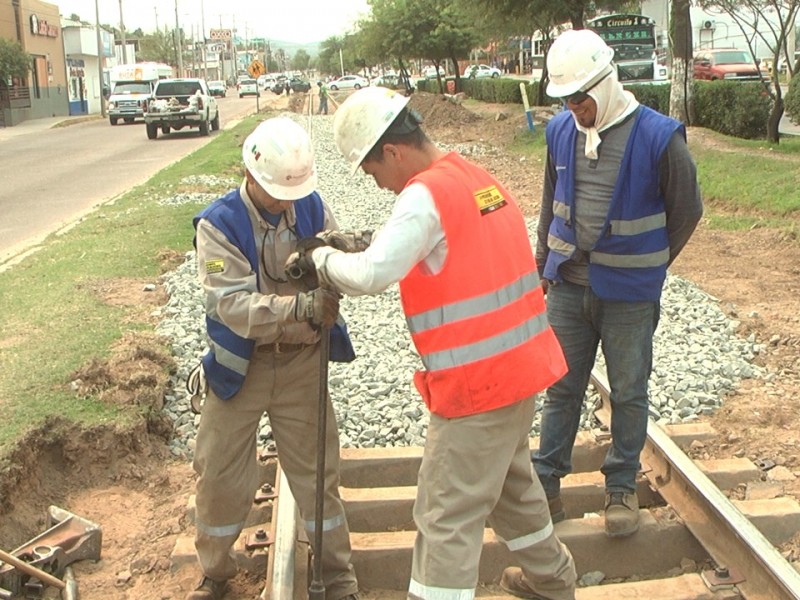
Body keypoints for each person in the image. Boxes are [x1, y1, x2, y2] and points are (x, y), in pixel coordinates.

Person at [285, 87, 577, 600]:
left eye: (372, 171)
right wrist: (356, 240)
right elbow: (442, 243)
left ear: (393, 151)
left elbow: (375, 272)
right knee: (512, 489)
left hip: (476, 388)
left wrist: (321, 261)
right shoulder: (474, 177)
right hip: (521, 373)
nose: (377, 185)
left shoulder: (422, 196)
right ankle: (553, 582)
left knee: (444, 512)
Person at [531, 29, 703, 539]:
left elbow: (687, 210)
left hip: (629, 295)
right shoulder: (560, 131)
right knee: (561, 388)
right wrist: (545, 264)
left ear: (605, 85)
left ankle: (621, 486)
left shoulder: (658, 137)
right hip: (567, 287)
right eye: (565, 100)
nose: (574, 108)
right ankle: (546, 485)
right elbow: (549, 202)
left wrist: (650, 265)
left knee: (628, 391)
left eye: (580, 99)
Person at [188, 117, 360, 600]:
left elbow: (327, 262)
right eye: (279, 193)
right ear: (251, 176)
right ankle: (215, 573)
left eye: (295, 192)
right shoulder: (219, 225)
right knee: (219, 474)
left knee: (318, 478)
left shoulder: (310, 207)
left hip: (303, 363)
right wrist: (299, 306)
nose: (288, 202)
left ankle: (336, 573)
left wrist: (339, 258)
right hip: (241, 369)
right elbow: (231, 305)